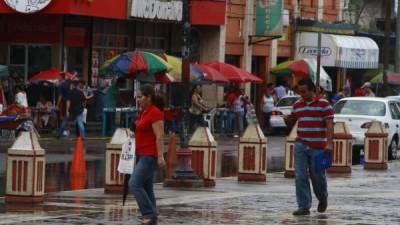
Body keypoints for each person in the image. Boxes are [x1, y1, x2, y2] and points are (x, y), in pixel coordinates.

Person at [284, 78, 333, 216]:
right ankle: (304, 206)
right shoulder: (297, 105)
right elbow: (292, 121)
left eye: (304, 92)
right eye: (300, 92)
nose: (302, 95)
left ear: (312, 90)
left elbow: (329, 125)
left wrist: (329, 143)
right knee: (300, 176)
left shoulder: (324, 104)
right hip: (301, 144)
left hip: (318, 146)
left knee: (317, 176)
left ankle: (322, 198)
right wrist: (287, 120)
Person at [129, 84, 166, 225]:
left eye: (140, 97)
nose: (138, 100)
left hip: (150, 155)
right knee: (146, 187)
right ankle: (153, 215)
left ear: (149, 97)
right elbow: (143, 128)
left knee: (134, 183)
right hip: (142, 153)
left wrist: (161, 156)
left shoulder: (155, 112)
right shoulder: (144, 111)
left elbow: (159, 136)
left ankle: (149, 213)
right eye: (137, 97)